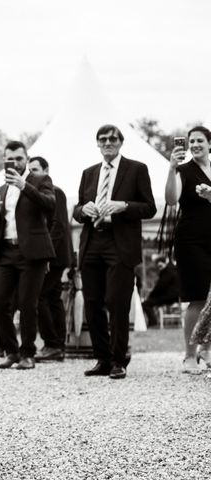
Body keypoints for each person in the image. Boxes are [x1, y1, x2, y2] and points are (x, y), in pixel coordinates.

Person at [74, 124, 156, 380]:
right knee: (93, 302)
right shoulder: (89, 173)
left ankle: (119, 360)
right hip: (92, 242)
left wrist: (124, 205)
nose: (108, 142)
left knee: (117, 302)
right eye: (103, 139)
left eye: (112, 139)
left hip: (120, 243)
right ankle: (103, 359)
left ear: (121, 142)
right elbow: (77, 209)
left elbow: (149, 208)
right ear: (97, 143)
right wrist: (82, 210)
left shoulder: (136, 169)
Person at [0, 141, 56, 370]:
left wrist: (25, 186)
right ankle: (12, 351)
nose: (14, 162)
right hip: (6, 251)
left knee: (27, 303)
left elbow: (50, 205)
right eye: (9, 159)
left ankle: (27, 353)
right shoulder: (1, 189)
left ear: (26, 158)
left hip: (32, 253)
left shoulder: (39, 180)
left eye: (18, 158)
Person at [165, 126, 211, 373]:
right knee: (198, 297)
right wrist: (171, 168)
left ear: (209, 144)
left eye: (199, 140)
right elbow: (172, 199)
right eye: (191, 141)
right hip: (191, 240)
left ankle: (206, 348)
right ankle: (189, 355)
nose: (194, 144)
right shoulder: (183, 170)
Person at [28, 156, 73, 361]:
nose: (32, 174)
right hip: (49, 254)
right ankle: (57, 344)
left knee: (41, 297)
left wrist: (47, 254)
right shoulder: (34, 194)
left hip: (54, 255)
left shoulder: (57, 193)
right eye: (30, 170)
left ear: (46, 170)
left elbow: (59, 225)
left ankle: (52, 344)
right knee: (52, 298)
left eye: (35, 169)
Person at [141, 255, 179, 328]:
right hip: (175, 296)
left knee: (146, 304)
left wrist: (151, 295)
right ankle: (153, 322)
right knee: (150, 302)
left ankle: (153, 323)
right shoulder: (174, 269)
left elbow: (160, 286)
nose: (159, 268)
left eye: (160, 266)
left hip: (169, 296)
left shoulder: (167, 271)